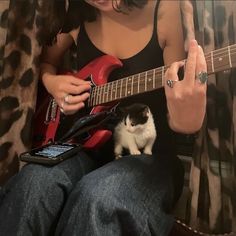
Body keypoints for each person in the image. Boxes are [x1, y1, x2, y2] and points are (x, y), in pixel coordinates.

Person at [0, 0, 207, 235]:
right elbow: (46, 61)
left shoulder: (167, 10)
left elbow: (181, 115)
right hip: (82, 147)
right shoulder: (78, 14)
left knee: (99, 197)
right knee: (33, 184)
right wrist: (52, 82)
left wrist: (188, 117)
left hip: (150, 155)